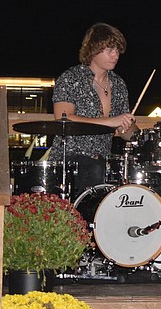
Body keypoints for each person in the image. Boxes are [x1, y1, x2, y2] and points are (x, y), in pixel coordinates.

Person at [52, 23, 137, 194]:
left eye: (118, 50)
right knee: (95, 168)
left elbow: (124, 131)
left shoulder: (119, 84)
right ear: (93, 49)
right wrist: (110, 121)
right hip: (70, 159)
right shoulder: (71, 78)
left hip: (103, 160)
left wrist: (141, 136)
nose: (115, 55)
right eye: (109, 49)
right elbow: (63, 118)